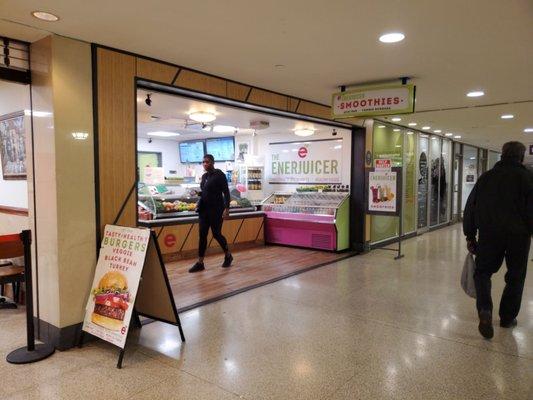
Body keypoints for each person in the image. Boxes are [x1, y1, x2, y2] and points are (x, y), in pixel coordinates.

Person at [463, 141, 533, 339]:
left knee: (483, 272)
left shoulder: (486, 178)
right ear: (521, 157)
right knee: (516, 275)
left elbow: (471, 207)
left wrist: (470, 234)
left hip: (489, 234)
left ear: (502, 155)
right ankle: (507, 317)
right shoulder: (528, 178)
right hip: (519, 237)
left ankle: (485, 309)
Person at [189, 154, 233, 273]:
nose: (205, 164)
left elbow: (226, 192)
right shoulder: (204, 176)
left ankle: (228, 255)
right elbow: (205, 192)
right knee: (202, 235)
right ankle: (200, 262)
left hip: (216, 210)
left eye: (207, 162)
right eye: (203, 162)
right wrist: (197, 194)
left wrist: (227, 209)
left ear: (213, 162)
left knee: (216, 234)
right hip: (204, 210)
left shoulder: (219, 175)